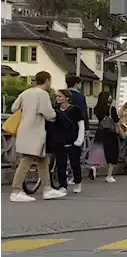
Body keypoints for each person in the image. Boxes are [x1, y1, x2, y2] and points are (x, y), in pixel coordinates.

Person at [9, 71, 63, 202]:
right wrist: (56, 115)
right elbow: (49, 114)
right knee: (27, 160)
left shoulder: (25, 93)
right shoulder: (43, 94)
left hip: (24, 129)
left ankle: (47, 188)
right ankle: (16, 191)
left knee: (42, 160)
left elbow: (13, 108)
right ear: (47, 80)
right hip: (35, 131)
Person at [50, 89, 85, 194]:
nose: (58, 98)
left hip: (73, 140)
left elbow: (81, 124)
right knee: (61, 164)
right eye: (57, 96)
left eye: (60, 96)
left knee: (75, 163)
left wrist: (79, 139)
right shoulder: (55, 110)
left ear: (67, 98)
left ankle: (77, 182)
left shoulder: (75, 110)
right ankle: (62, 185)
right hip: (60, 140)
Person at [91, 90, 120, 183]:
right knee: (112, 153)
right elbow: (116, 120)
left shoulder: (97, 108)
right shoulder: (112, 109)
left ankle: (94, 167)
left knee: (99, 150)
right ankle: (109, 175)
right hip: (110, 133)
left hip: (100, 131)